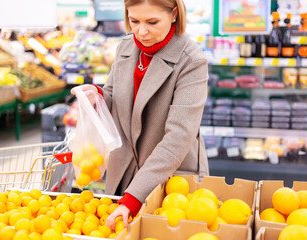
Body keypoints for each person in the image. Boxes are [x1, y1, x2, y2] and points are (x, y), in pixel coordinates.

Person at [72, 0, 209, 229]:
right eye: (134, 20)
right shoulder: (126, 47)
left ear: (174, 14)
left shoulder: (192, 61)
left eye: (152, 22)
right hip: (124, 166)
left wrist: (134, 196)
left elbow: (179, 136)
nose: (141, 31)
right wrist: (97, 96)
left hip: (167, 177)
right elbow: (114, 94)